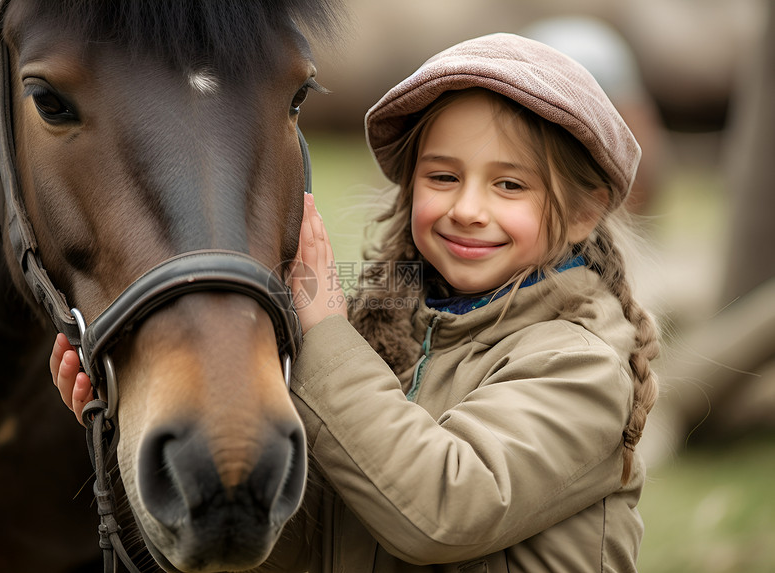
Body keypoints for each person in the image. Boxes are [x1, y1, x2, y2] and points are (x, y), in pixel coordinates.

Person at [51, 33, 659, 571]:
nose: (468, 209)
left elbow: (440, 512)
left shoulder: (581, 364)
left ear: (584, 211)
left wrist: (322, 336)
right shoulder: (386, 339)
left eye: (510, 185)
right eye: (442, 177)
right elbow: (301, 550)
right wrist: (123, 431)